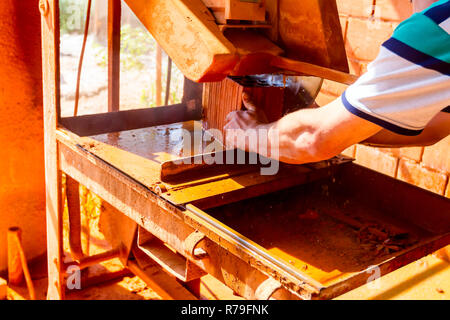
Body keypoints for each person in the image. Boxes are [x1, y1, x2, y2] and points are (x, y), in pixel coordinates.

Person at [224, 0, 449, 165]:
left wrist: (247, 134)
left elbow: (313, 140)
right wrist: (344, 125)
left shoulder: (436, 29)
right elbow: (434, 127)